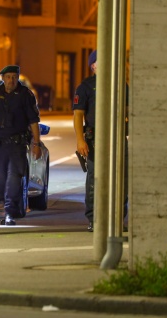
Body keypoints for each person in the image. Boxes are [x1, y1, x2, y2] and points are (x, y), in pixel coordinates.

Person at [0, 65, 42, 226]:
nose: (11, 80)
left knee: (13, 179)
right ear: (3, 78)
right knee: (0, 179)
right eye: (8, 77)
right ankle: (9, 207)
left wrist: (36, 143)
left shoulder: (25, 95)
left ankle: (9, 212)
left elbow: (34, 121)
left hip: (17, 145)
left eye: (14, 76)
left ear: (18, 77)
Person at [73, 50, 128, 232]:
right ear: (93, 66)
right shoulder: (86, 87)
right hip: (95, 139)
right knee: (94, 180)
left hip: (117, 136)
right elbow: (78, 114)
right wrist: (80, 140)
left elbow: (128, 109)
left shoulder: (119, 83)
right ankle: (94, 219)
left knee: (121, 178)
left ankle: (118, 218)